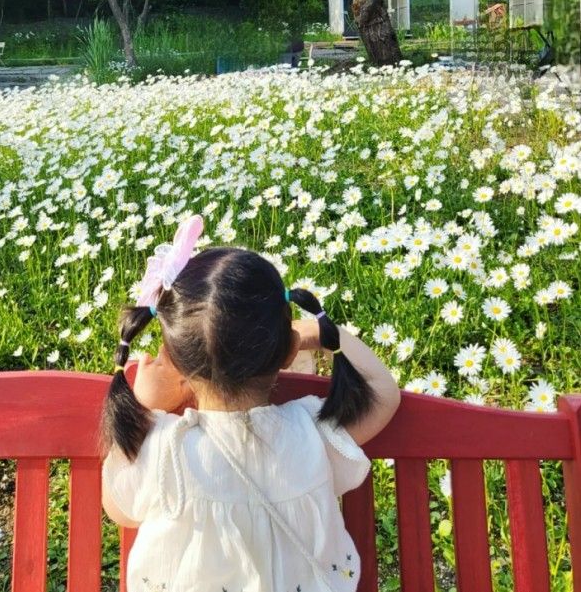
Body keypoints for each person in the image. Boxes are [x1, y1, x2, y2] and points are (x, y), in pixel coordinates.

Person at [102, 215, 401, 592]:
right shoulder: (311, 430)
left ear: (175, 362)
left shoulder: (164, 448)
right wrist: (319, 331)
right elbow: (383, 392)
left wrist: (145, 408)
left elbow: (119, 509)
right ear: (289, 351)